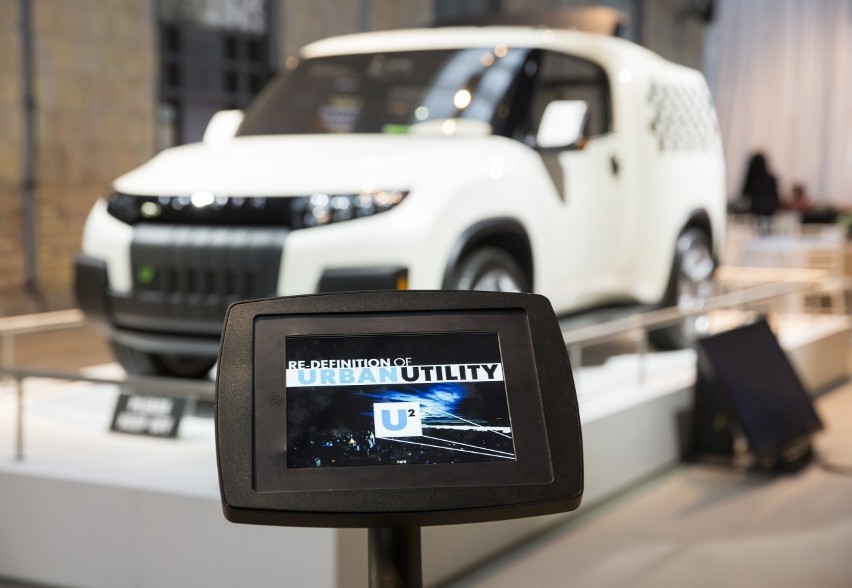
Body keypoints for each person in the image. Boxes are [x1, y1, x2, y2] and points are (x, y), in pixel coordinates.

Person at [741, 152, 779, 235]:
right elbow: (776, 196)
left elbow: (745, 194)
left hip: (756, 209)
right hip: (770, 208)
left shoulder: (751, 179)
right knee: (768, 230)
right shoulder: (771, 179)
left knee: (758, 230)